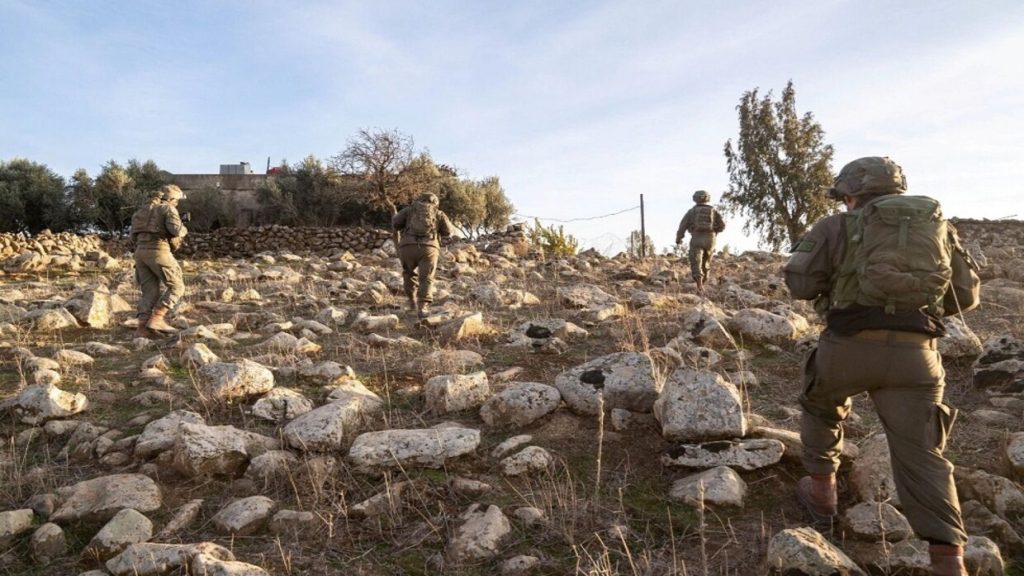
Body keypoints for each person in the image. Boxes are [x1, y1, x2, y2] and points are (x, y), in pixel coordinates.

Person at [783, 156, 981, 576]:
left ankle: (822, 494)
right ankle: (949, 560)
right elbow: (965, 297)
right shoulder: (938, 227)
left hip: (846, 347)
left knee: (820, 404)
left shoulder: (834, 226)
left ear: (851, 194)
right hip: (916, 357)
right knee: (923, 454)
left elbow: (800, 284)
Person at [131, 184, 188, 337]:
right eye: (176, 201)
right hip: (159, 251)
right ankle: (157, 318)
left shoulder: (141, 211)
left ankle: (142, 328)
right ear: (171, 199)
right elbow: (176, 231)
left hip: (140, 253)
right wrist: (183, 226)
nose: (177, 204)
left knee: (149, 292)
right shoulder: (167, 209)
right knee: (177, 287)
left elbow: (133, 237)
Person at [392, 192, 453, 319]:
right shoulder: (438, 213)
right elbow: (448, 231)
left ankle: (412, 301)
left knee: (408, 274)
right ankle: (422, 308)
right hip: (429, 248)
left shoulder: (408, 210)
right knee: (426, 277)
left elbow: (395, 223)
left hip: (407, 247)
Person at [675, 190, 725, 295]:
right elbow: (722, 225)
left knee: (696, 261)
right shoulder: (713, 211)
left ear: (695, 199)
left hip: (696, 237)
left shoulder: (691, 212)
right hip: (710, 239)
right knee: (706, 262)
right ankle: (703, 282)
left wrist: (679, 238)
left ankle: (699, 285)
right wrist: (715, 231)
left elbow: (682, 225)